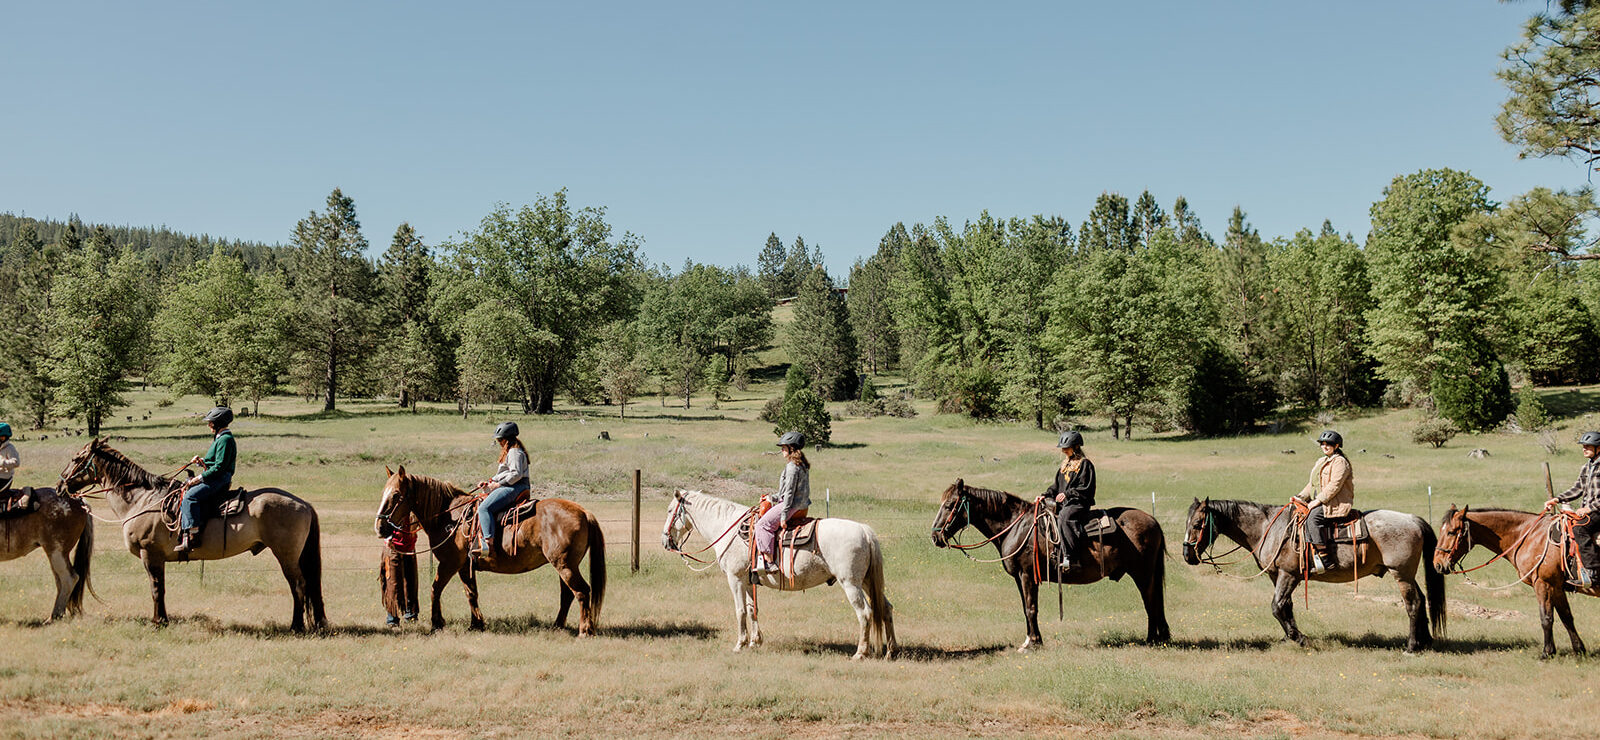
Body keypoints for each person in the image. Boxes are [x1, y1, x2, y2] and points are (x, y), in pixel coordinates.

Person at [175, 407, 237, 553]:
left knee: (190, 497)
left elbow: (220, 467)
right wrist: (200, 461)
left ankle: (193, 535)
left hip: (219, 479)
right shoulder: (220, 438)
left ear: (218, 423)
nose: (209, 425)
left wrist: (198, 478)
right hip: (216, 476)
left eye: (211, 422)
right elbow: (214, 462)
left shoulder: (226, 440)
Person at [1296, 430, 1354, 574]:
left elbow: (1334, 485)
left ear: (1336, 445)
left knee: (1312, 518)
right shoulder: (1321, 461)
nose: (1325, 446)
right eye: (1322, 443)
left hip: (1334, 503)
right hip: (1320, 501)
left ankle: (1325, 559)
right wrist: (1301, 497)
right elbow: (1312, 484)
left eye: (1328, 444)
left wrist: (1317, 501)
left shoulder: (1341, 462)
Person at [754, 431, 811, 574]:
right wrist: (771, 498)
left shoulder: (792, 467)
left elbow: (789, 494)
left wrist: (784, 515)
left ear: (792, 448)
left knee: (762, 525)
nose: (782, 450)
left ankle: (769, 563)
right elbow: (786, 491)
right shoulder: (802, 465)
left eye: (784, 447)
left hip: (791, 506)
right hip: (802, 506)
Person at [1548, 430, 1600, 588]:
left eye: (1588, 446)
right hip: (1590, 510)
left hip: (1597, 511)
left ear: (1598, 448)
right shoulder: (1586, 467)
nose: (1584, 449)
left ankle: (1592, 572)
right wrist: (1558, 499)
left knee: (1579, 528)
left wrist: (1588, 509)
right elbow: (1577, 488)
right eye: (1583, 446)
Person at [475, 422, 529, 558]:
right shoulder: (511, 451)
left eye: (500, 439)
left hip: (514, 487)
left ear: (507, 439)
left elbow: (516, 474)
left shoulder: (514, 452)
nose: (499, 442)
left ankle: (488, 544)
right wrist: (489, 482)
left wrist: (498, 485)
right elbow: (504, 473)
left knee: (484, 508)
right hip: (511, 485)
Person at [1044, 430, 1096, 571]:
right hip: (1066, 502)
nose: (1063, 450)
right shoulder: (1065, 464)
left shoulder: (1085, 465)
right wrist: (1044, 495)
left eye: (1066, 447)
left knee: (1064, 517)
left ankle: (1071, 558)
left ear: (1076, 447)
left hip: (1079, 503)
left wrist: (1067, 494)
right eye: (1063, 447)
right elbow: (1056, 486)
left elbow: (1085, 488)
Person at [379, 518, 419, 627]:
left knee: (411, 582)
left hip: (409, 546)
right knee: (393, 583)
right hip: (392, 546)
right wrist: (388, 537)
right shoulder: (390, 503)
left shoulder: (413, 507)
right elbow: (381, 523)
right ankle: (392, 619)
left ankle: (411, 615)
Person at [0, 423, 18, 494]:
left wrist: (2, 463)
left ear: (6, 437)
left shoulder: (10, 448)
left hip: (4, 478)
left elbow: (16, 462)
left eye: (1, 437)